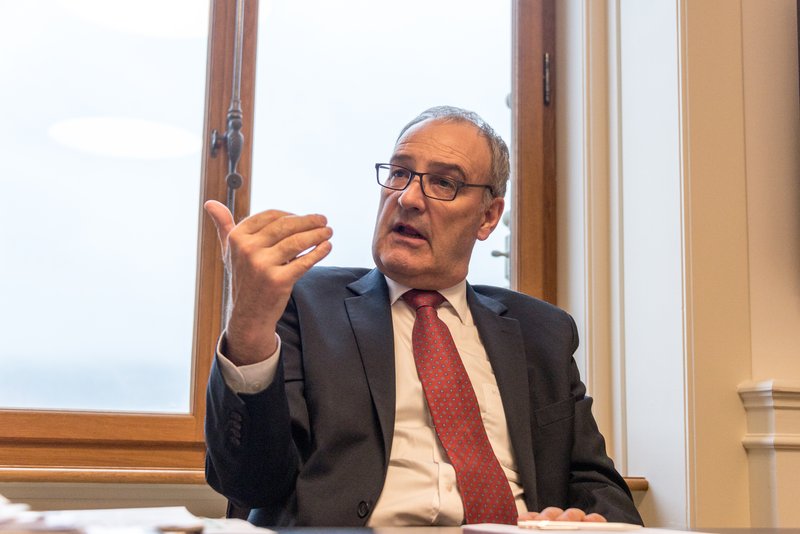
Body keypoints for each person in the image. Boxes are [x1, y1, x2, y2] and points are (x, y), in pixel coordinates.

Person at [203, 106, 643, 527]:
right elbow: (251, 483)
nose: (408, 197)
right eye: (399, 173)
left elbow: (599, 488)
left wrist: (584, 522)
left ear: (489, 216)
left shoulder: (541, 331)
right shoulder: (302, 303)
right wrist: (248, 328)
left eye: (444, 182)